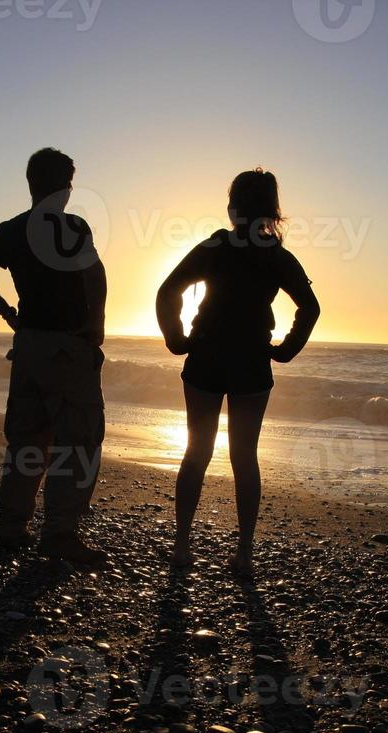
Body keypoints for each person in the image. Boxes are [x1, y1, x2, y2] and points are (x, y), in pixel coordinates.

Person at [156, 168, 321, 577]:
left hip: (207, 355)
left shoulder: (215, 246)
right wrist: (285, 349)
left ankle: (181, 547)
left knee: (197, 451)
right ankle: (244, 555)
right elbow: (310, 308)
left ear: (234, 206)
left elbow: (167, 291)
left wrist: (176, 339)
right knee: (245, 457)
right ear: (272, 208)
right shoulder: (276, 255)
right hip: (251, 360)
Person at [0, 148, 109, 563]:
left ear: (31, 184)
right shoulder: (73, 227)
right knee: (77, 440)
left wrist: (8, 312)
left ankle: (11, 529)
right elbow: (95, 275)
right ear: (65, 188)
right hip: (66, 345)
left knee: (27, 440)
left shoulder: (11, 229)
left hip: (28, 346)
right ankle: (59, 533)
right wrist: (96, 325)